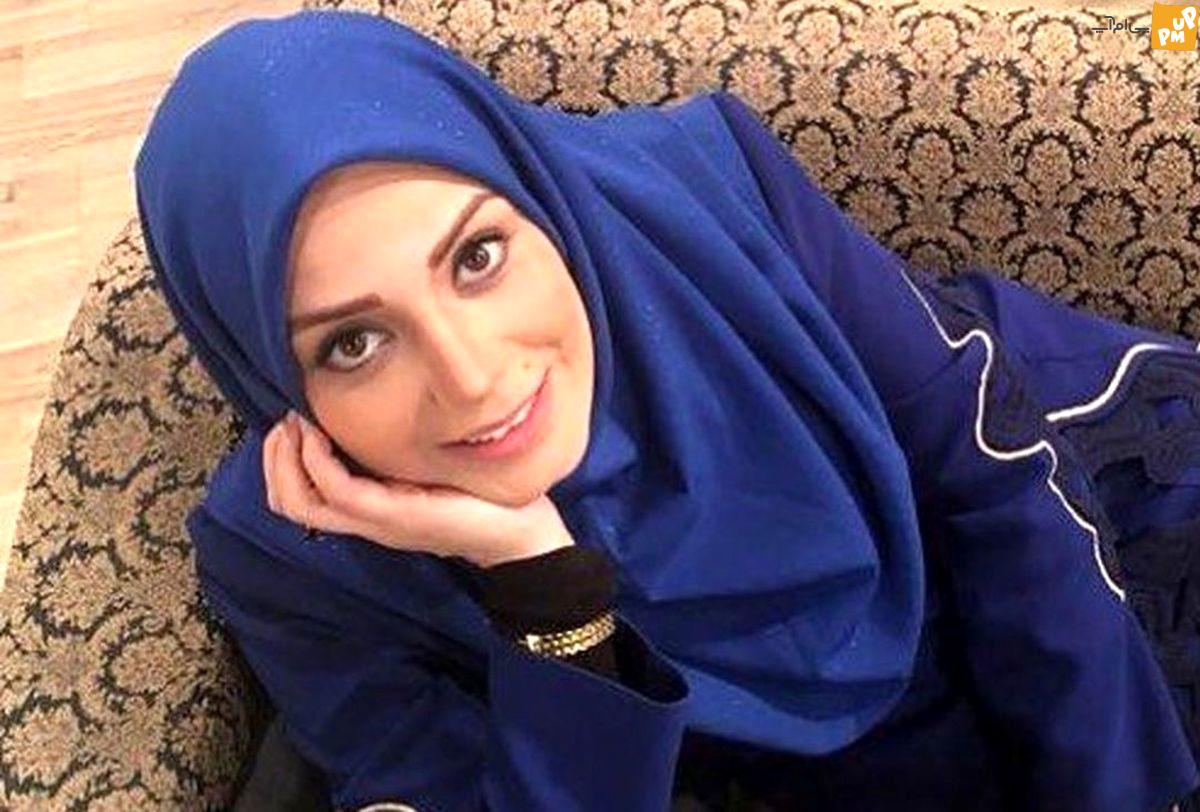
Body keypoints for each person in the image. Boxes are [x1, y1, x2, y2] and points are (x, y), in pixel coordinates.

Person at [133, 8, 1200, 811]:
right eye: (354, 343)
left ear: (539, 203)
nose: (472, 377)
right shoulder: (294, 554)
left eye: (478, 256)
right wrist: (542, 585)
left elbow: (999, 477)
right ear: (268, 373)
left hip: (1097, 531)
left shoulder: (707, 182)